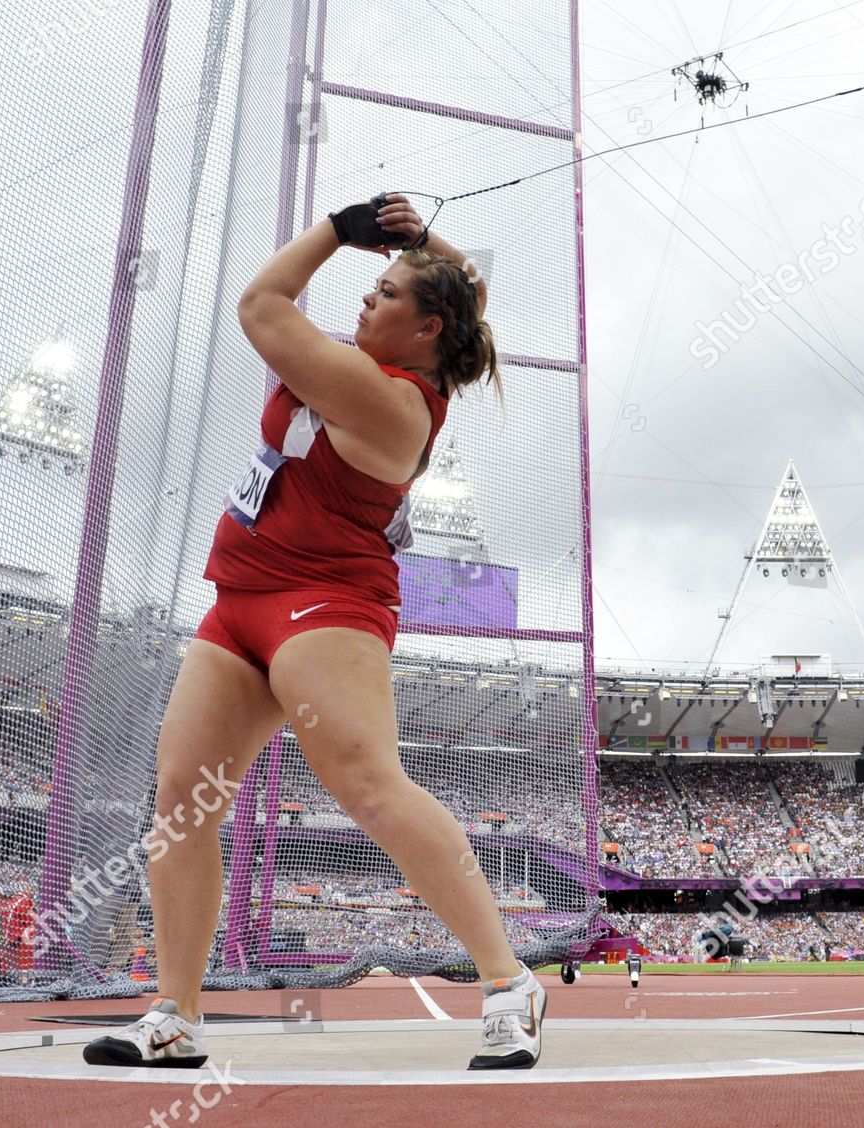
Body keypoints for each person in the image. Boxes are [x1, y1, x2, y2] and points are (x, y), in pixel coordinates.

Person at [84, 195, 543, 1072]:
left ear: (427, 328)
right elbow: (465, 294)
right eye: (369, 285)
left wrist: (340, 228)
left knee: (368, 785)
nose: (365, 301)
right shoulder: (368, 358)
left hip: (324, 603)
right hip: (241, 599)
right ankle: (175, 1014)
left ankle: (508, 981)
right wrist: (414, 241)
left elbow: (261, 305)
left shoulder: (390, 399)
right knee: (182, 801)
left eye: (386, 292)